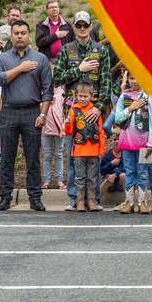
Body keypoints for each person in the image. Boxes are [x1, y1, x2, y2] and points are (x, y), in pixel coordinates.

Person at [53, 10, 115, 210]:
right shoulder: (66, 50)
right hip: (73, 113)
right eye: (78, 25)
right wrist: (79, 70)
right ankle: (74, 198)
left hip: (94, 114)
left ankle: (93, 198)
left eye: (84, 25)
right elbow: (57, 79)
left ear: (90, 27)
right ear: (73, 27)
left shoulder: (101, 50)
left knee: (94, 158)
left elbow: (106, 82)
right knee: (74, 157)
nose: (81, 29)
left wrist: (99, 107)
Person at [0, 20, 53, 211]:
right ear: (11, 35)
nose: (19, 36)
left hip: (32, 112)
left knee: (32, 157)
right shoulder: (2, 58)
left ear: (28, 35)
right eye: (16, 33)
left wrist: (43, 114)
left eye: (23, 33)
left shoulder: (40, 59)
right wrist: (20, 68)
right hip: (8, 111)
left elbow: (47, 91)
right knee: (7, 157)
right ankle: (5, 196)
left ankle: (35, 197)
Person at [114, 74, 152, 214]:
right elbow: (117, 117)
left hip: (144, 143)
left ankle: (142, 203)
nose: (134, 81)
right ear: (127, 79)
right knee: (129, 170)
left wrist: (151, 143)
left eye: (137, 77)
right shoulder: (124, 97)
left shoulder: (149, 98)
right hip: (127, 141)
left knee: (142, 171)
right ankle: (129, 202)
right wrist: (130, 108)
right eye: (131, 78)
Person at [64, 82, 105, 212]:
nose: (82, 99)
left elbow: (100, 131)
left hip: (93, 151)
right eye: (80, 96)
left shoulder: (95, 111)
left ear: (91, 96)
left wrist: (101, 149)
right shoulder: (73, 110)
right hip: (79, 151)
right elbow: (69, 132)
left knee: (92, 177)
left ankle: (92, 201)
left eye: (85, 96)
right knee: (79, 176)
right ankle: (80, 201)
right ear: (76, 95)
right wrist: (67, 124)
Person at [41, 84, 66, 190]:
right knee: (47, 155)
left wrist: (64, 128)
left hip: (59, 130)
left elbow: (66, 112)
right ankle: (46, 181)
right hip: (45, 129)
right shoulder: (41, 91)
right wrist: (44, 102)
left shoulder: (63, 92)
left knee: (59, 154)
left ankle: (59, 180)